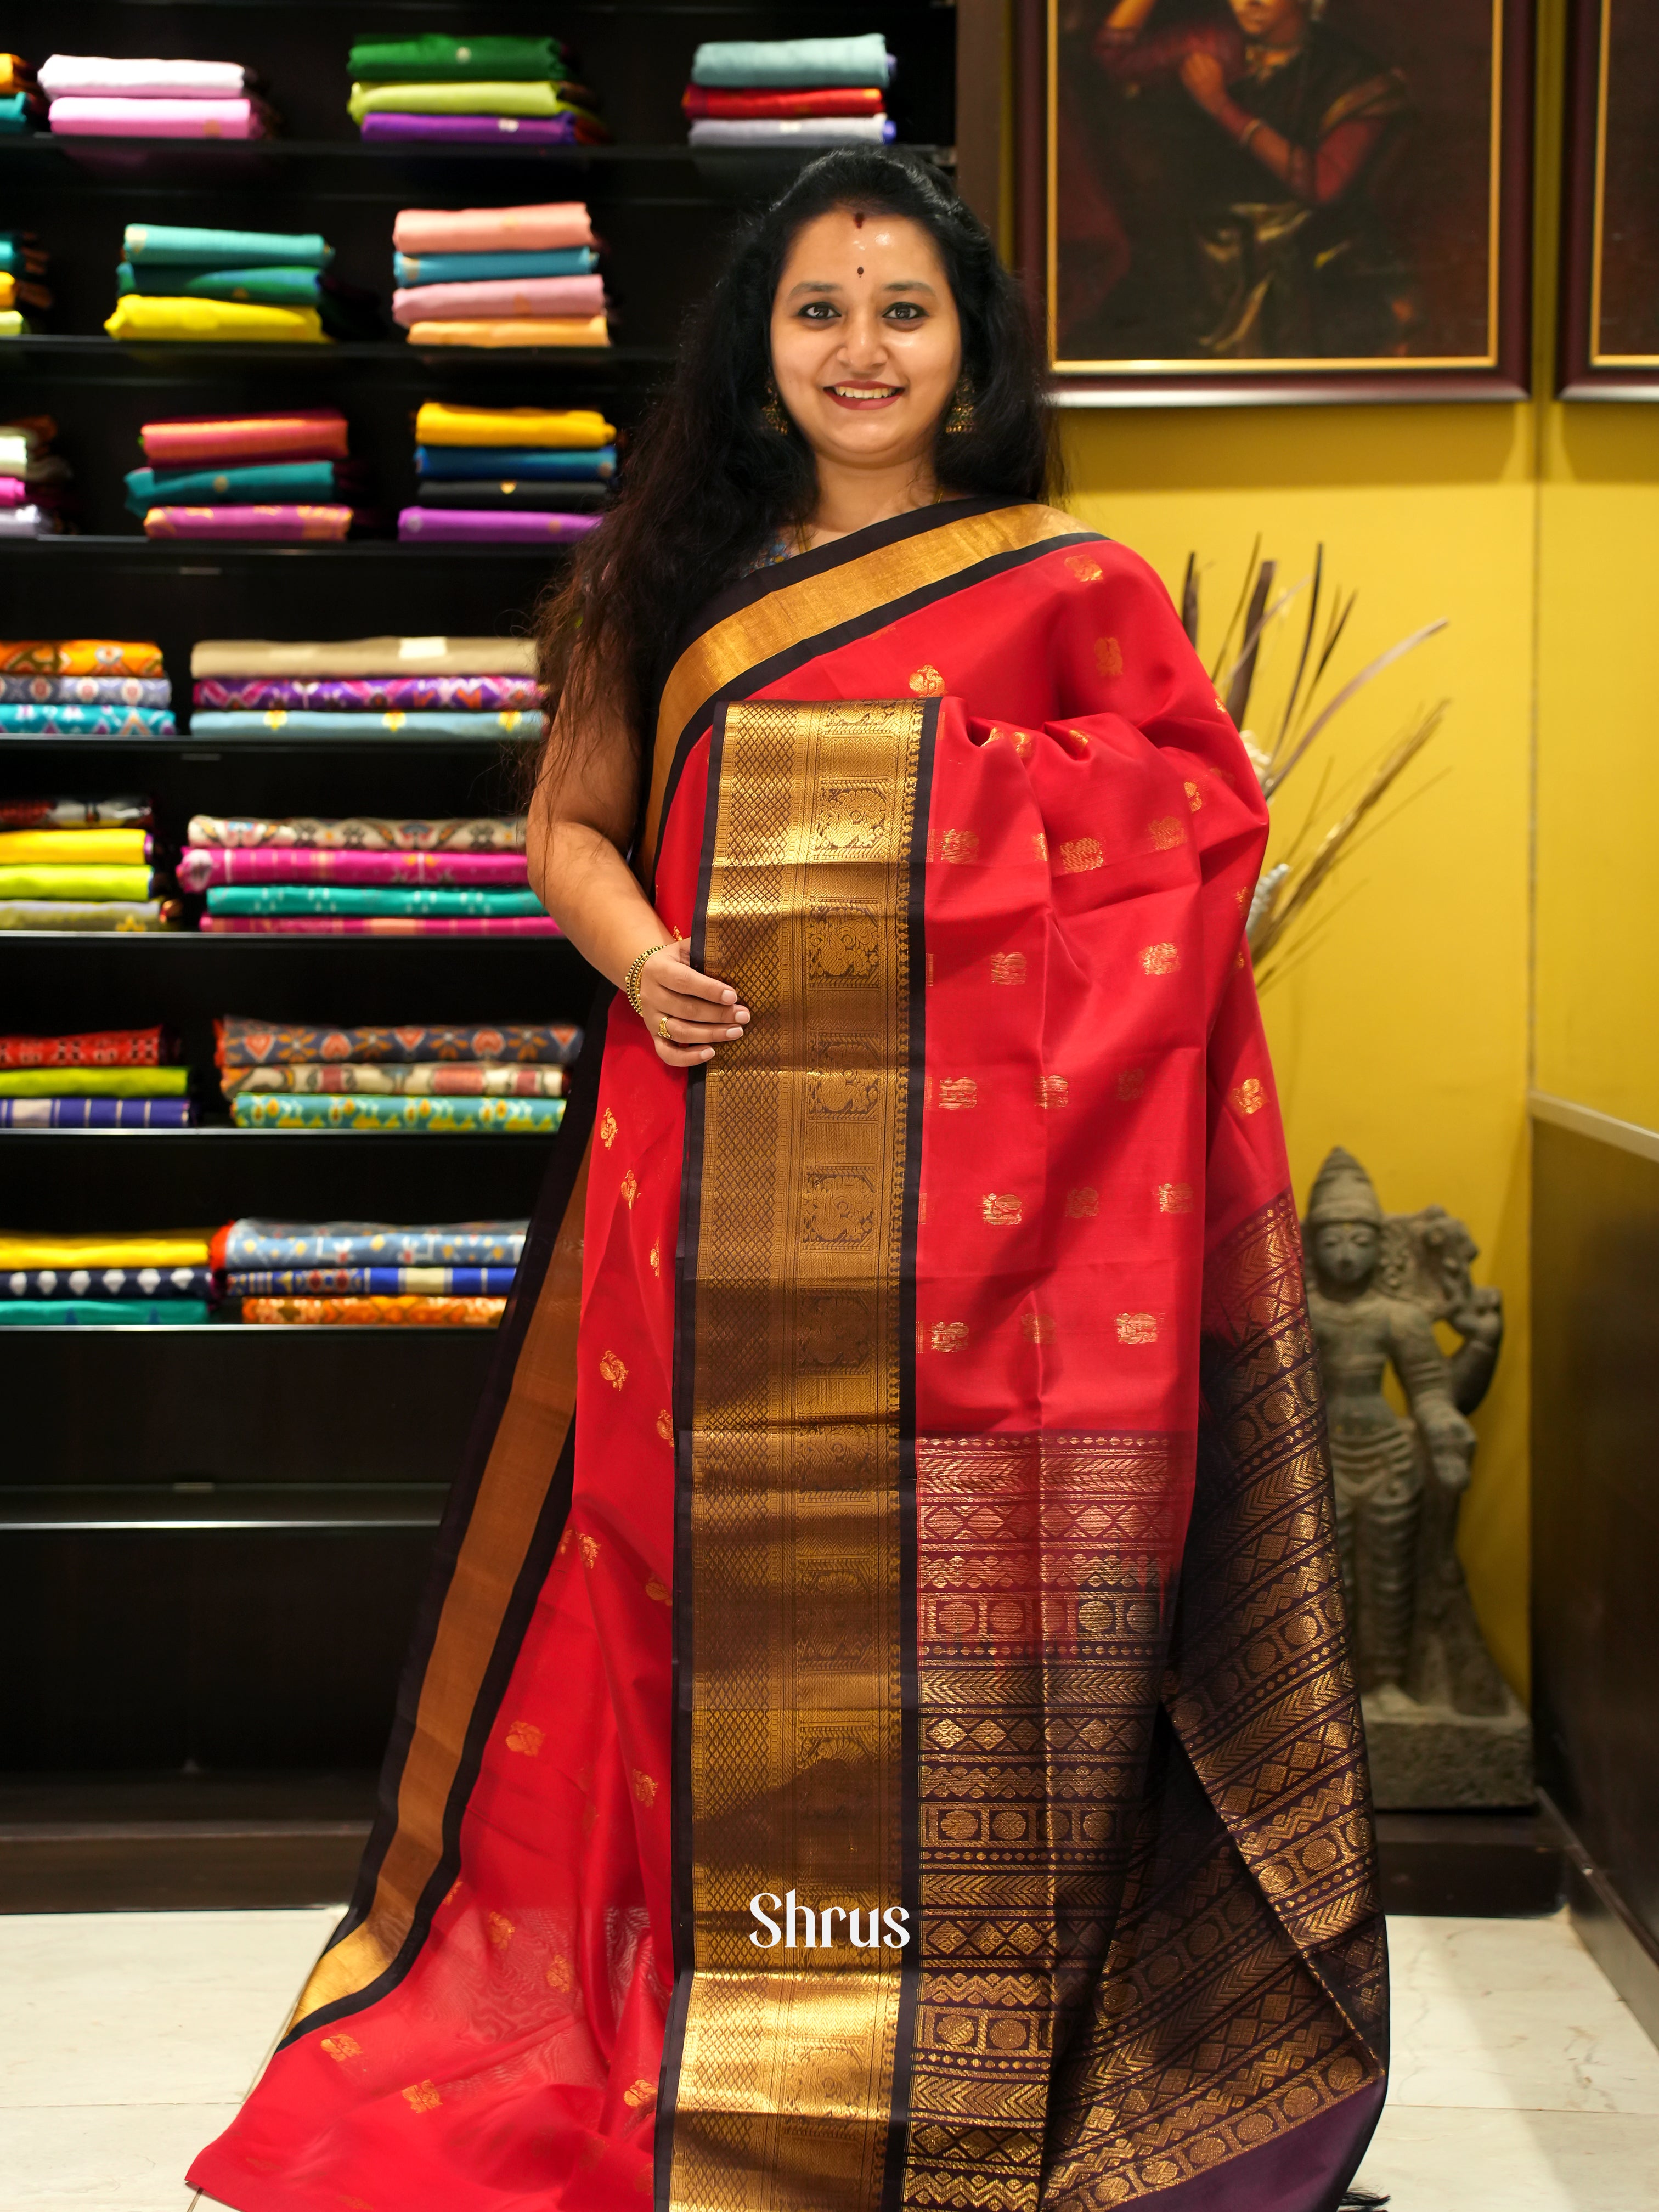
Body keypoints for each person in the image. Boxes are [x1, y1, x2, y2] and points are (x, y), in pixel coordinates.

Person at [189, 149, 1386, 2212]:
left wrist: (911, 805)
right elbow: (570, 831)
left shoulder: (1063, 584)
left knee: (983, 1636)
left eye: (900, 308)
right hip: (704, 1159)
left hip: (994, 1240)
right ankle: (713, 2040)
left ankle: (973, 2055)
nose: (858, 348)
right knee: (681, 1584)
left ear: (968, 349)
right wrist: (642, 951)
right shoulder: (671, 577)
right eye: (816, 307)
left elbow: (1196, 825)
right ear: (757, 343)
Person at [1069, 0, 1414, 359]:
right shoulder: (1213, 42)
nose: (1247, 3)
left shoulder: (1354, 76)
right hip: (1210, 265)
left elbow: (1321, 184)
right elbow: (1110, 56)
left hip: (1308, 267)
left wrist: (1221, 107)